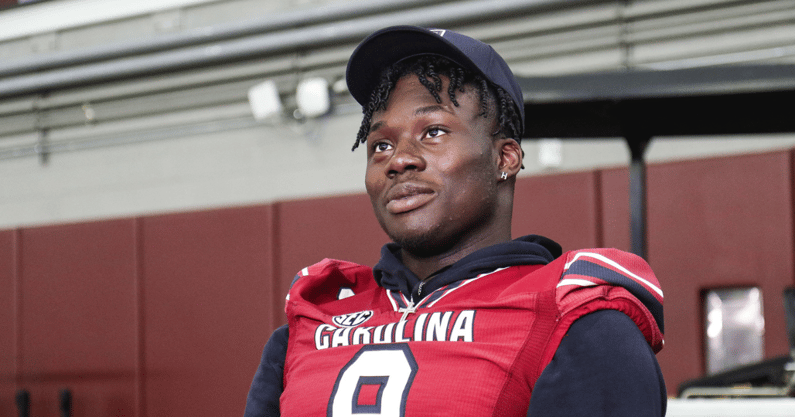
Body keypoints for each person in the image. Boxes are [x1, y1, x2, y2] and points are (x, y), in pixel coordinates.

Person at [244, 25, 666, 417]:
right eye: (381, 144)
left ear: (505, 158)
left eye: (434, 132)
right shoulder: (313, 319)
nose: (399, 160)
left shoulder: (578, 319)